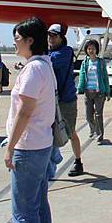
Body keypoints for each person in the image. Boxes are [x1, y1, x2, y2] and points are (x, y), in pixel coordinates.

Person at [5, 17, 54, 223]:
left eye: (17, 39)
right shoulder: (44, 64)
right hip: (42, 145)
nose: (14, 43)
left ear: (30, 40)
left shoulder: (34, 69)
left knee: (23, 214)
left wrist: (10, 147)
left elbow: (24, 113)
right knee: (39, 208)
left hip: (28, 148)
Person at [48, 23, 84, 176]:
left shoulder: (66, 52)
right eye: (49, 35)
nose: (51, 39)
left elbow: (50, 61)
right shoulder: (49, 52)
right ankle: (51, 162)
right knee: (48, 133)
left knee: (70, 132)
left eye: (54, 36)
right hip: (52, 100)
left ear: (62, 38)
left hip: (66, 100)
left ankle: (78, 162)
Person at [77, 39, 111, 143]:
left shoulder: (100, 62)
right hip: (88, 92)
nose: (91, 50)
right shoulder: (85, 62)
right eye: (89, 48)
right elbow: (82, 76)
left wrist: (108, 92)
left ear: (97, 49)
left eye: (93, 48)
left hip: (99, 93)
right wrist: (79, 89)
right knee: (88, 116)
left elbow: (105, 77)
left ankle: (100, 135)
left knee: (98, 115)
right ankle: (93, 130)